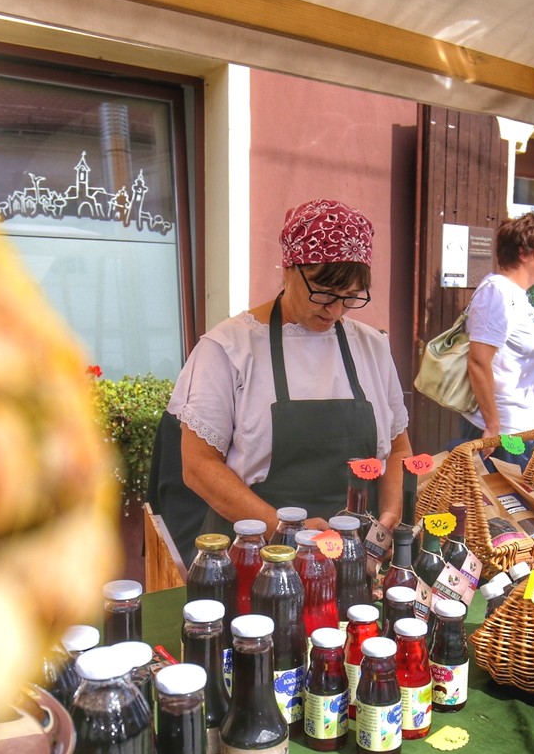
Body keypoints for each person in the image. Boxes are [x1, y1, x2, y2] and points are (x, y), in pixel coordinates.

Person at [155, 199, 412, 560]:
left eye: (350, 297)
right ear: (290, 267)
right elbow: (198, 466)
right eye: (323, 292)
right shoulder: (229, 348)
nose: (335, 310)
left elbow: (398, 449)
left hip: (351, 555)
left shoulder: (371, 346)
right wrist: (286, 529)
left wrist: (389, 516)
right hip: (255, 554)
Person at [462, 212, 534, 466]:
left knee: (519, 504)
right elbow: (478, 361)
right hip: (505, 437)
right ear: (523, 252)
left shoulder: (515, 296)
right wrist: (493, 428)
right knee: (505, 504)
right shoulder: (498, 292)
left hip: (520, 434)